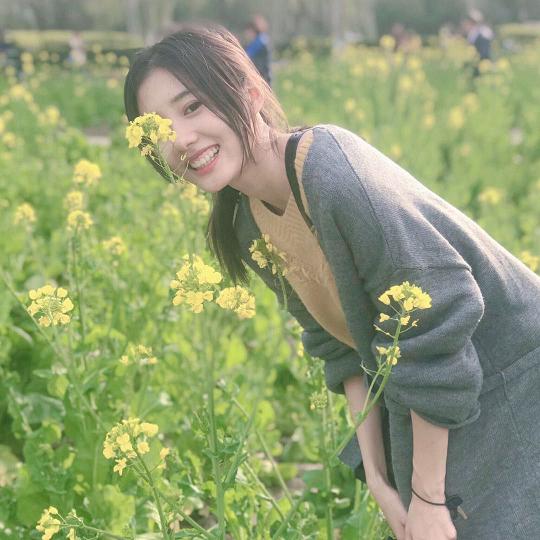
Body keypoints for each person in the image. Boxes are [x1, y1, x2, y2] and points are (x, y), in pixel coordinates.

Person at [123, 23, 540, 540]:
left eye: (192, 107)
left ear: (250, 93)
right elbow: (337, 346)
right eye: (159, 129)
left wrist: (429, 496)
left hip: (514, 384)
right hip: (443, 404)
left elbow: (436, 321)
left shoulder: (330, 172)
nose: (181, 139)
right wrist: (379, 480)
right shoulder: (247, 222)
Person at [243, 15, 271, 86]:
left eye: (248, 32)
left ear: (252, 31)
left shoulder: (259, 42)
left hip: (262, 78)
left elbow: (246, 57)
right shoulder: (262, 39)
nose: (246, 34)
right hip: (263, 77)